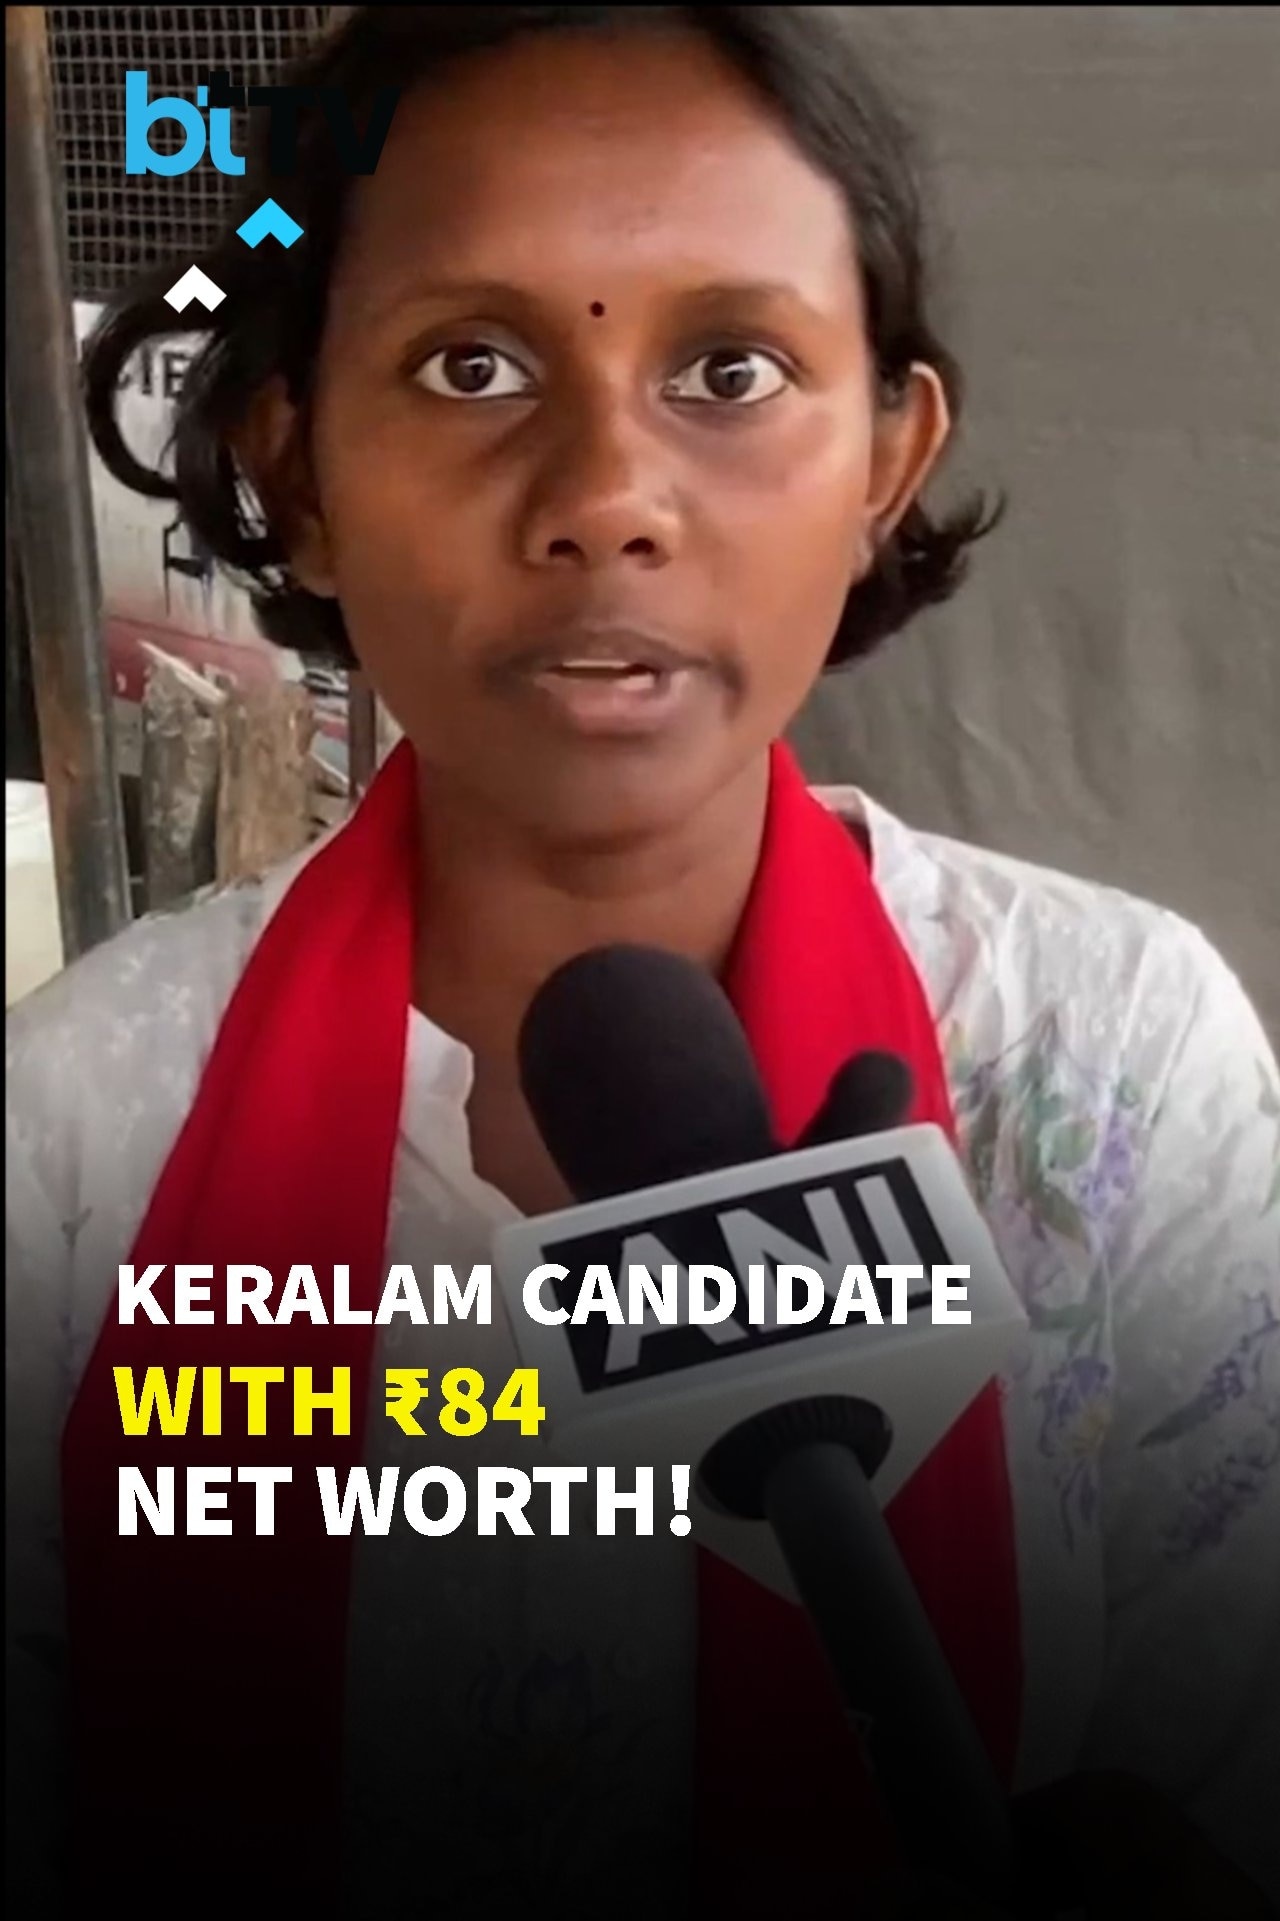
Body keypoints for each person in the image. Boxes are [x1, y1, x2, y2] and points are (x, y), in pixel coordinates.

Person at [6, 8, 1278, 1917]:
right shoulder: (74, 1141)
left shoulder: (1113, 1060)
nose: (605, 492)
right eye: (472, 363)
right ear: (299, 469)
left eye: (732, 367)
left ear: (886, 458)